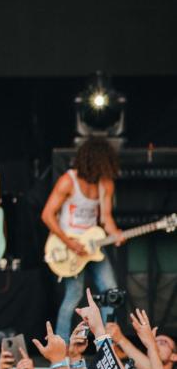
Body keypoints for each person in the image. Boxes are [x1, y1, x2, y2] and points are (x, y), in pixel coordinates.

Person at [40, 136, 124, 338]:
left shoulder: (105, 184)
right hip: (68, 246)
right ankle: (61, 347)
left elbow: (105, 218)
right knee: (73, 296)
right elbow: (47, 215)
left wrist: (115, 234)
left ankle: (107, 344)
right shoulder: (68, 181)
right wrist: (70, 242)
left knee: (110, 292)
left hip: (93, 245)